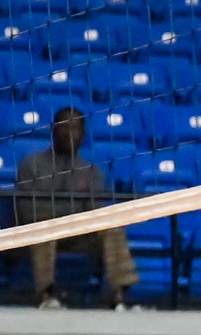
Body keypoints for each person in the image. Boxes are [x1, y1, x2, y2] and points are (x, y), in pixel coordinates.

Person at [15, 108, 137, 308]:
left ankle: (118, 296)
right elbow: (27, 210)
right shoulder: (31, 165)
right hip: (39, 229)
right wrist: (61, 218)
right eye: (64, 127)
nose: (69, 133)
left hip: (77, 232)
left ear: (83, 134)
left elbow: (94, 213)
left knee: (112, 229)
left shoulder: (91, 171)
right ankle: (46, 296)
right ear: (53, 130)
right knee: (42, 226)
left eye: (75, 128)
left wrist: (72, 221)